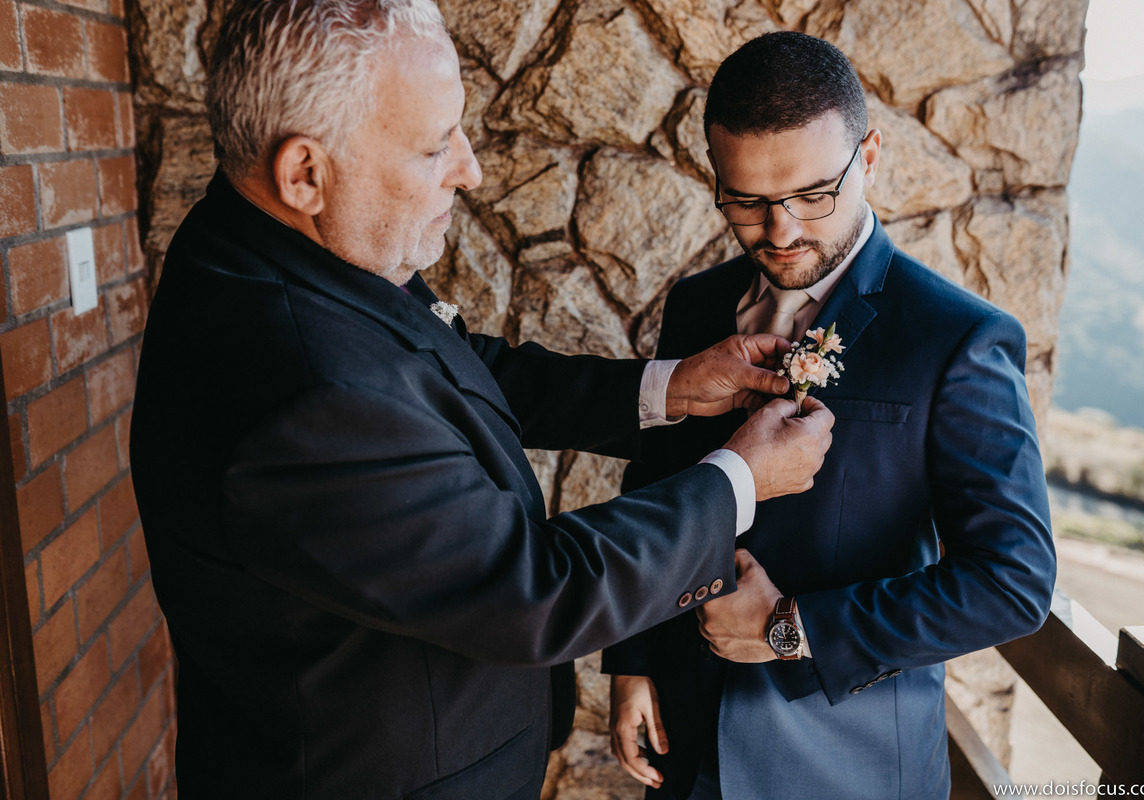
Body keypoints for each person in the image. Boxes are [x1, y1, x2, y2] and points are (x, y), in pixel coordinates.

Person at [128, 3, 835, 799]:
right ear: (305, 172)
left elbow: (447, 368)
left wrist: (669, 386)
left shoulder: (278, 239)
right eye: (435, 145)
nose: (469, 168)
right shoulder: (303, 395)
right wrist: (737, 478)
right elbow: (534, 589)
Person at [603, 31, 1056, 800]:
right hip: (684, 738)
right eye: (746, 201)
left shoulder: (958, 339)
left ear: (869, 159)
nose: (780, 232)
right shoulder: (695, 306)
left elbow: (1013, 581)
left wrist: (790, 627)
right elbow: (658, 484)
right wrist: (633, 658)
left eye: (813, 196)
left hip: (848, 764)